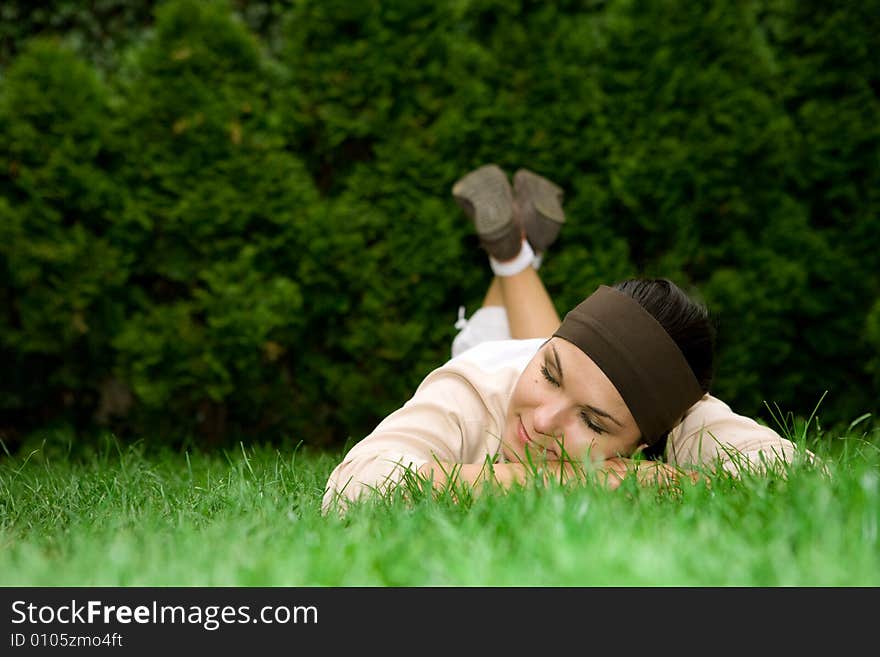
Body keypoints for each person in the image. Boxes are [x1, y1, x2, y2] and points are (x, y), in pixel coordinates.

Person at [322, 164, 807, 512]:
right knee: (500, 347)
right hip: (499, 358)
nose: (543, 420)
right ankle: (515, 259)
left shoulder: (680, 416)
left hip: (545, 349)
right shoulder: (471, 387)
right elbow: (357, 491)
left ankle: (514, 254)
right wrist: (572, 479)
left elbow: (808, 486)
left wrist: (677, 478)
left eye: (593, 423)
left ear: (644, 445)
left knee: (548, 357)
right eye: (549, 374)